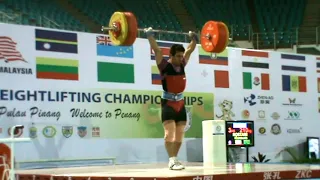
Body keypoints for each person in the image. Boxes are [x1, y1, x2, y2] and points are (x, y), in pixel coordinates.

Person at [144, 27, 197, 170]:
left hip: (180, 102)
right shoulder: (164, 66)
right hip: (168, 103)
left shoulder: (182, 64)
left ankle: (174, 159)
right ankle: (172, 160)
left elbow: (190, 50)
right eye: (178, 56)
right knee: (169, 133)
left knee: (180, 135)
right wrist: (150, 36)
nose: (181, 59)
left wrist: (194, 38)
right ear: (171, 56)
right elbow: (157, 50)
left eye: (181, 56)